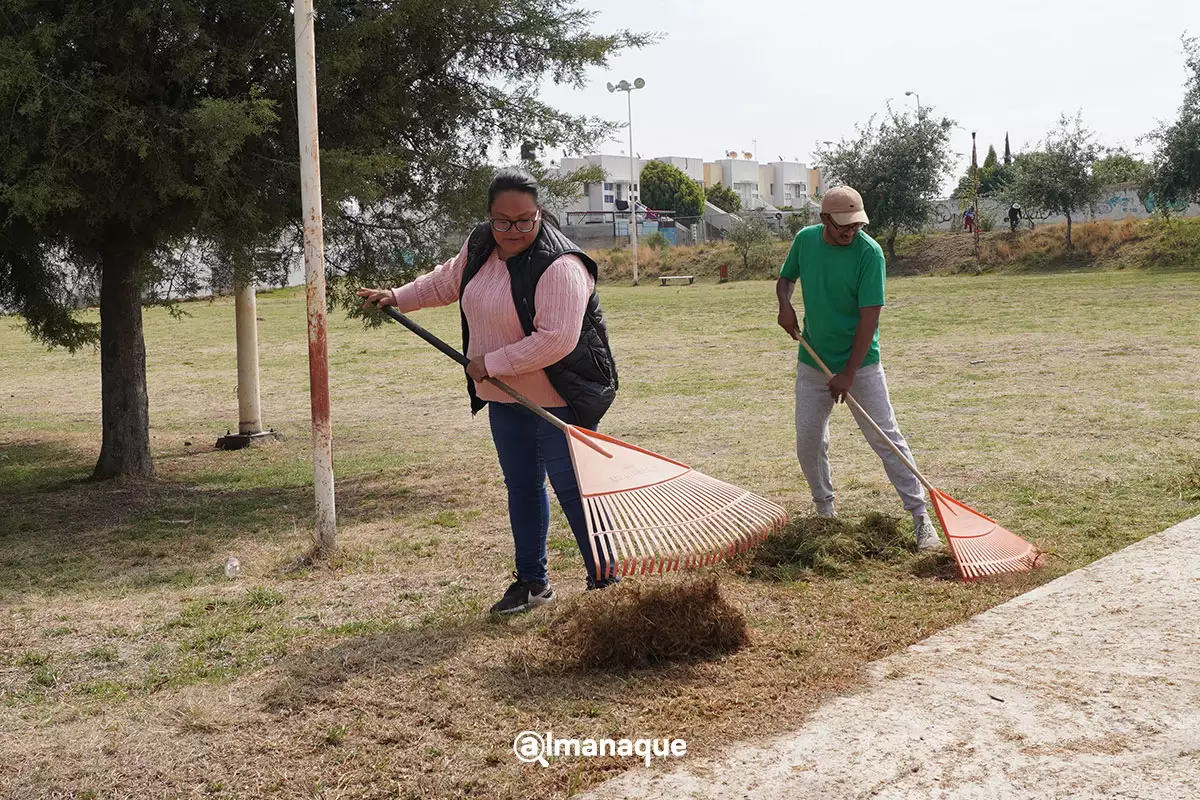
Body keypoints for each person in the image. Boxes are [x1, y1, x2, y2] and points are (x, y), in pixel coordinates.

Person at [357, 168, 620, 614]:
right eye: (502, 220)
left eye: (524, 220)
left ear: (539, 214)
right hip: (505, 397)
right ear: (489, 216)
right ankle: (532, 584)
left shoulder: (562, 265)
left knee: (574, 491)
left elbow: (556, 338)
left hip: (561, 398)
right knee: (522, 487)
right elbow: (448, 281)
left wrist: (491, 363)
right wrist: (399, 296)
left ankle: (606, 582)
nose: (513, 231)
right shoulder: (481, 244)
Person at [775, 186, 943, 551]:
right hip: (813, 361)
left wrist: (848, 374)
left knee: (886, 439)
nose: (851, 232)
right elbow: (786, 278)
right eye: (843, 227)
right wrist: (785, 304)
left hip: (861, 365)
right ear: (824, 220)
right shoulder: (805, 241)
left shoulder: (870, 253)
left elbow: (870, 320)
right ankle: (825, 513)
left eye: (856, 226)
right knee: (808, 441)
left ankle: (920, 518)